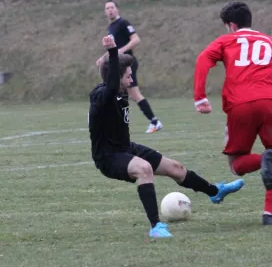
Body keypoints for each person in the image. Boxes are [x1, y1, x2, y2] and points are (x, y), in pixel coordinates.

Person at [90, 35, 244, 238]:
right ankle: (156, 227)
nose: (131, 79)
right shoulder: (101, 95)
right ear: (115, 77)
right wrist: (111, 51)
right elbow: (109, 85)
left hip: (125, 147)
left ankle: (215, 192)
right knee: (143, 169)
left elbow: (110, 75)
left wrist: (109, 61)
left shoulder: (118, 88)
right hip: (108, 156)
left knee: (176, 169)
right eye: (127, 76)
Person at [193, 2, 272, 226]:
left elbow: (203, 59)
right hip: (271, 101)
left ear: (232, 25)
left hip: (240, 104)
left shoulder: (227, 40)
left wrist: (200, 97)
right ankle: (269, 214)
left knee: (236, 164)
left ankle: (261, 160)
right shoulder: (271, 42)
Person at [95, 0, 163, 134]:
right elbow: (113, 48)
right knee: (122, 94)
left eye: (112, 7)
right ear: (105, 12)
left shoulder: (123, 23)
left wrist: (121, 50)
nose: (110, 10)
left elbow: (136, 39)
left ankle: (155, 122)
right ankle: (119, 124)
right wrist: (103, 58)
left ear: (117, 9)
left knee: (133, 94)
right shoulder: (111, 28)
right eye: (107, 8)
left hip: (127, 64)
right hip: (118, 64)